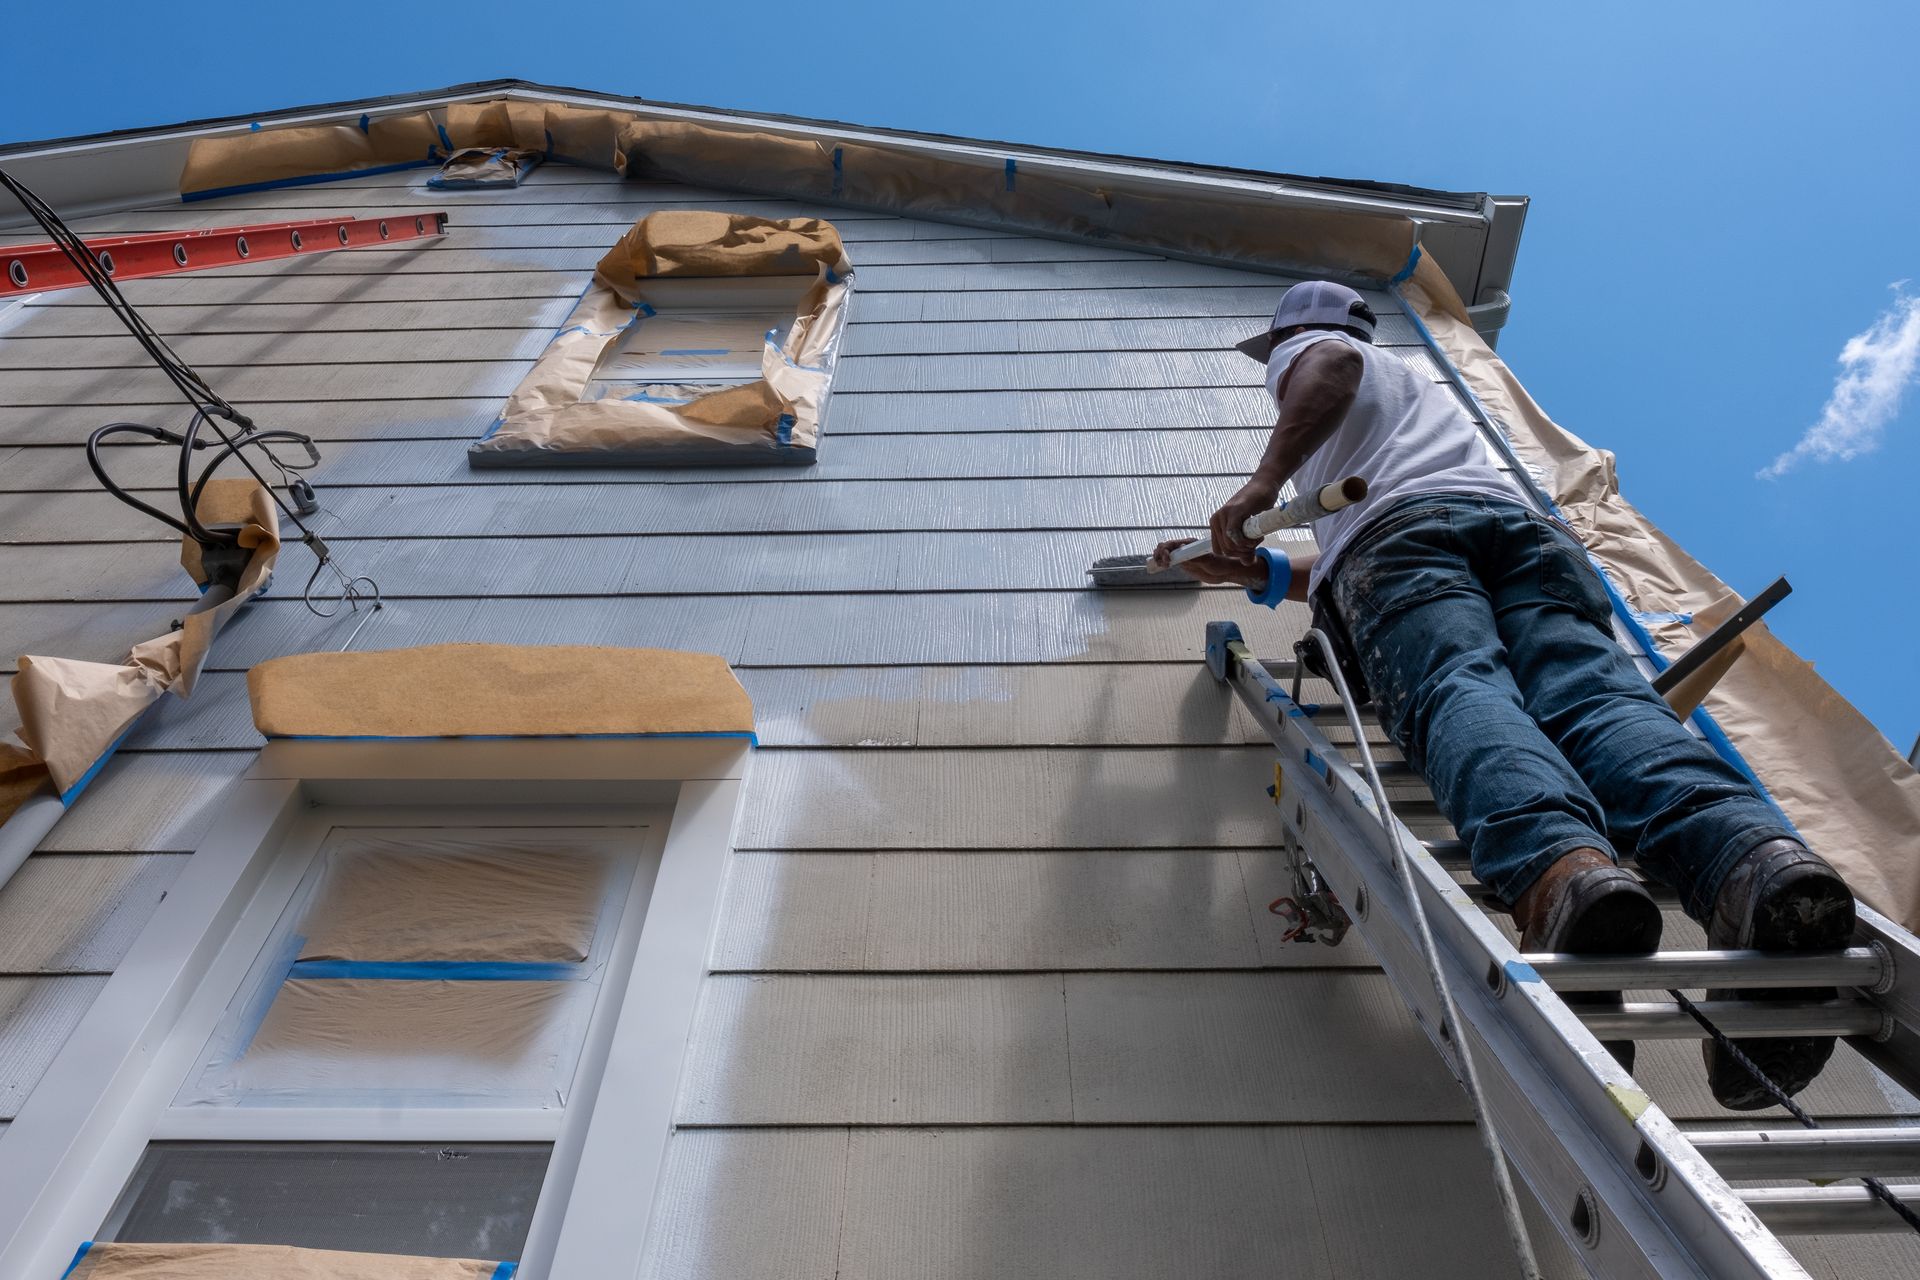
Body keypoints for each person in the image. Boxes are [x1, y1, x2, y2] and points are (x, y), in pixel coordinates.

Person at [1152, 280, 1856, 1108]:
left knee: (1457, 688)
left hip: (1411, 545)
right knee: (1599, 703)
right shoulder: (1416, 395)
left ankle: (1564, 875)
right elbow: (1393, 510)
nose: (1282, 370)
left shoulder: (1322, 357)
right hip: (1519, 535)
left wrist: (1259, 485)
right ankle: (1750, 860)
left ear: (1288, 342)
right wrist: (1262, 568)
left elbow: (1333, 370)